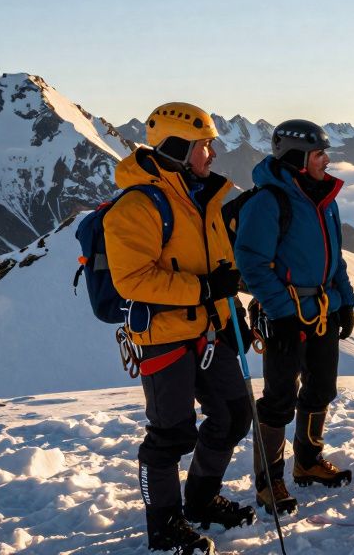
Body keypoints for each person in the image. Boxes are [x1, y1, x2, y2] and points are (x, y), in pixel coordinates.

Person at [106, 102, 253, 554]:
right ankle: (164, 525)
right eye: (204, 144)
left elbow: (219, 264)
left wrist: (233, 317)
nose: (212, 152)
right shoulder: (138, 205)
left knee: (233, 415)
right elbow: (132, 279)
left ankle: (201, 501)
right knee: (171, 434)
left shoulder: (202, 195)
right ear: (177, 147)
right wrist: (205, 290)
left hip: (209, 330)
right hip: (164, 337)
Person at [233, 120, 354, 515]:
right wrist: (282, 312)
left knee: (321, 389)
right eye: (319, 153)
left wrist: (347, 302)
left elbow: (334, 257)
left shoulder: (326, 199)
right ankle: (269, 482)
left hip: (323, 310)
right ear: (297, 158)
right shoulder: (268, 201)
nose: (327, 160)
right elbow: (251, 263)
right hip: (285, 315)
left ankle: (307, 461)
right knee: (278, 400)